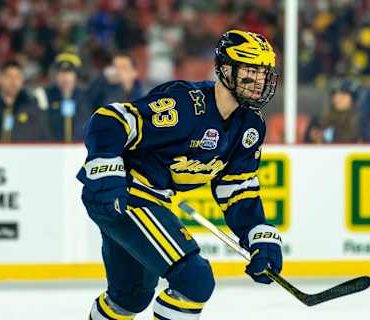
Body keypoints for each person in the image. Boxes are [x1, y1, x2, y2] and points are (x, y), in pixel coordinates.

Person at [77, 30, 283, 320]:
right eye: (251, 71)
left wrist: (258, 235)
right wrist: (104, 169)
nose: (260, 80)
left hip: (149, 199)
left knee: (130, 296)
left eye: (264, 72)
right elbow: (109, 120)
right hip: (123, 194)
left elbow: (238, 189)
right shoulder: (185, 105)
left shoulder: (250, 127)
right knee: (194, 279)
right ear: (225, 69)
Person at [0, 60, 51, 142]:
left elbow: (43, 138)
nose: (13, 81)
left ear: (22, 80)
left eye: (18, 77)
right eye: (9, 76)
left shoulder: (33, 109)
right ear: (0, 78)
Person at [45, 52, 90, 142]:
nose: (65, 78)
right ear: (56, 76)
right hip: (52, 149)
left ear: (76, 76)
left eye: (69, 73)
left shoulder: (85, 97)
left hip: (79, 149)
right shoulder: (46, 96)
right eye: (61, 73)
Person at [305, 79, 361, 143]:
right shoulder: (318, 120)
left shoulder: (361, 121)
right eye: (334, 95)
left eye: (343, 95)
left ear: (353, 99)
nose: (337, 99)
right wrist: (317, 141)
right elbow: (305, 146)